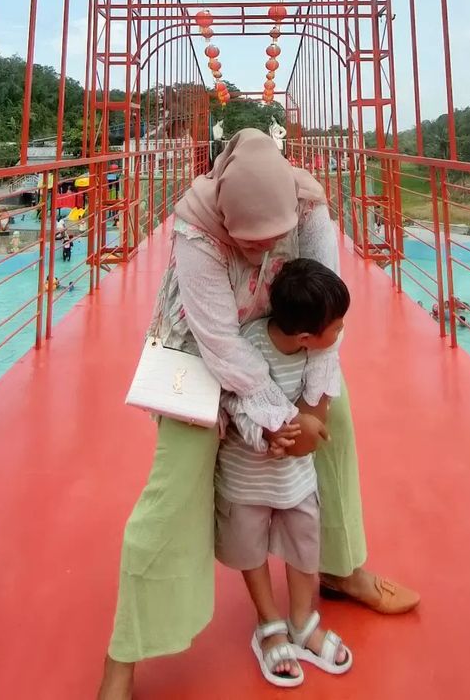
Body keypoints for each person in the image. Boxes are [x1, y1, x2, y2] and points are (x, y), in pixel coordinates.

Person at [97, 130, 418, 700]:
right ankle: (124, 655)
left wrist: (312, 411)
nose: (263, 251)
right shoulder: (197, 229)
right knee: (174, 483)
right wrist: (277, 419)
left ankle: (341, 569)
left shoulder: (310, 206)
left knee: (336, 430)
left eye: (275, 238)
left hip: (283, 338)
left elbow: (327, 310)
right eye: (249, 242)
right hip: (200, 347)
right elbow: (218, 340)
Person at [216, 259, 352, 683]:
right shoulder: (249, 347)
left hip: (295, 476)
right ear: (307, 337)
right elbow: (234, 398)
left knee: (303, 542)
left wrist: (296, 432)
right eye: (338, 325)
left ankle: (301, 619)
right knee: (249, 547)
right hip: (246, 474)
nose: (341, 331)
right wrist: (264, 434)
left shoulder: (317, 353)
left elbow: (318, 396)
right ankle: (269, 623)